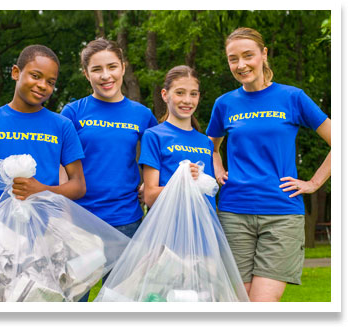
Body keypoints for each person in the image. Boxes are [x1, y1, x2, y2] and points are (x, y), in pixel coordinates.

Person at [206, 27, 331, 302]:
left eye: (248, 55)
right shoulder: (224, 103)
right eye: (233, 59)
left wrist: (314, 183)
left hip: (282, 213)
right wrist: (216, 168)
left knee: (262, 304)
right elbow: (211, 147)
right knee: (237, 302)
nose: (241, 65)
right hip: (234, 212)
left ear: (263, 54)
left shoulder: (292, 97)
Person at [60, 38, 158, 301]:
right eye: (96, 69)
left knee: (120, 304)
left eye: (112, 66)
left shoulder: (142, 114)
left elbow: (157, 157)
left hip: (125, 222)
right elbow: (60, 164)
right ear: (86, 74)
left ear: (123, 67)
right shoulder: (72, 111)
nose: (106, 76)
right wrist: (63, 213)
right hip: (79, 223)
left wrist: (146, 186)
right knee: (72, 301)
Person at [0, 44, 86, 232]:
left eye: (51, 82)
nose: (42, 86)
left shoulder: (62, 126)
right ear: (16, 72)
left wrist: (42, 190)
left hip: (46, 233)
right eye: (36, 76)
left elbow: (78, 186)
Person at [138, 65, 216, 211]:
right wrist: (182, 181)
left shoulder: (205, 142)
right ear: (164, 95)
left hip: (204, 229)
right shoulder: (154, 136)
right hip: (170, 228)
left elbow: (209, 194)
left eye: (193, 94)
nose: (187, 100)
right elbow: (150, 197)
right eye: (180, 93)